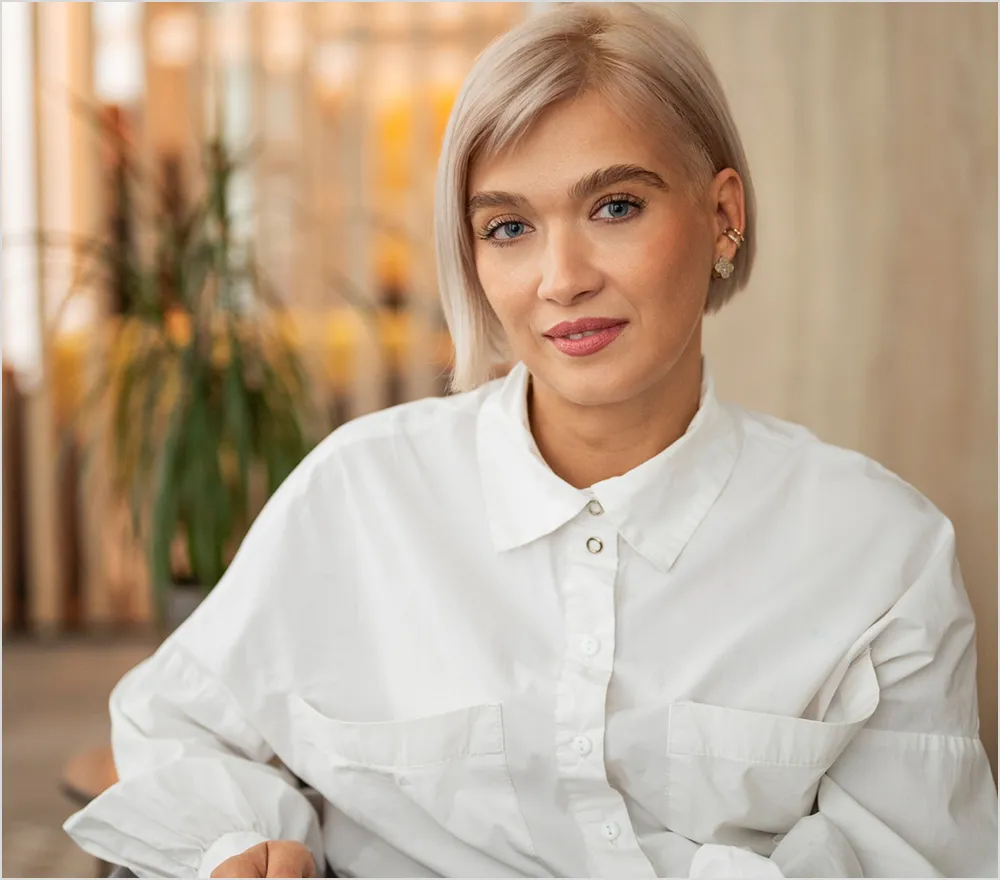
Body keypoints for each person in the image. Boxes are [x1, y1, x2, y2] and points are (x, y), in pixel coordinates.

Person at [65, 4, 997, 878]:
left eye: (616, 208)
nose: (562, 278)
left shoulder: (883, 552)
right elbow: (173, 724)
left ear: (723, 216)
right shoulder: (361, 496)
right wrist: (247, 839)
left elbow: (918, 856)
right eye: (508, 227)